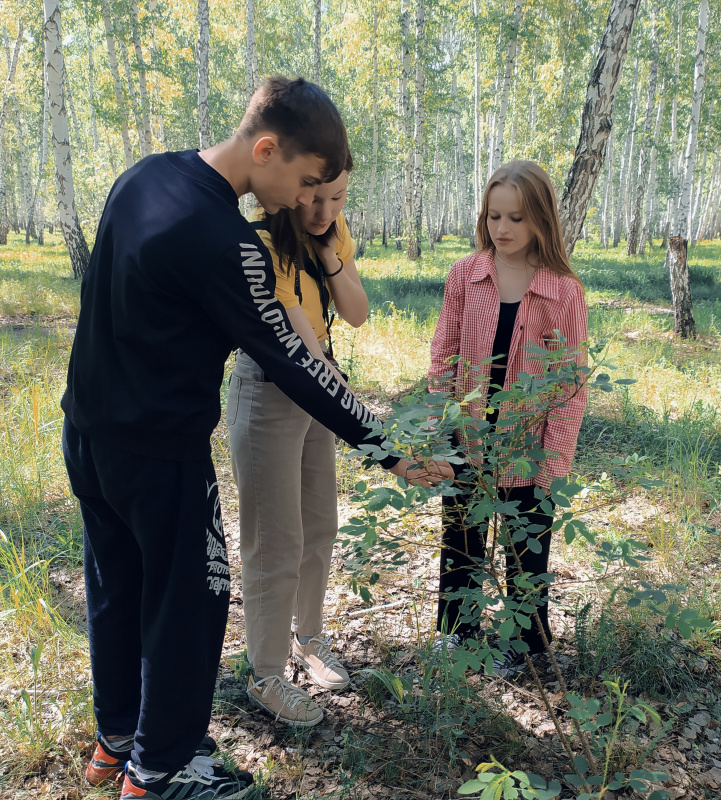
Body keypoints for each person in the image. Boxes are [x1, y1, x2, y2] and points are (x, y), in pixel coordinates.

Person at [61, 76, 450, 800]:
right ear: (264, 147)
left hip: (87, 435)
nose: (304, 201)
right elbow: (295, 361)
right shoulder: (229, 242)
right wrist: (388, 446)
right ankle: (163, 770)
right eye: (302, 181)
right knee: (192, 605)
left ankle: (117, 742)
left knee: (118, 589)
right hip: (161, 455)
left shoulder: (143, 176)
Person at [428, 160, 588, 679]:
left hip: (529, 449)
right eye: (494, 216)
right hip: (468, 441)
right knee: (462, 541)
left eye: (516, 218)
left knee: (527, 551)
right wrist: (444, 429)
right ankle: (457, 634)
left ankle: (523, 645)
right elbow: (445, 356)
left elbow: (569, 385)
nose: (502, 229)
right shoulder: (465, 275)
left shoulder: (563, 290)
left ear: (540, 218)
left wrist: (553, 464)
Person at [227, 149, 365, 726]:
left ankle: (308, 640)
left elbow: (354, 312)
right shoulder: (259, 242)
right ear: (294, 184)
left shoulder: (332, 235)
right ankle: (265, 673)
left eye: (338, 199)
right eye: (316, 195)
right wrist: (344, 399)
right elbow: (297, 334)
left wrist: (331, 254)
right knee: (274, 538)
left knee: (320, 524)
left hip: (317, 392)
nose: (324, 208)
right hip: (271, 390)